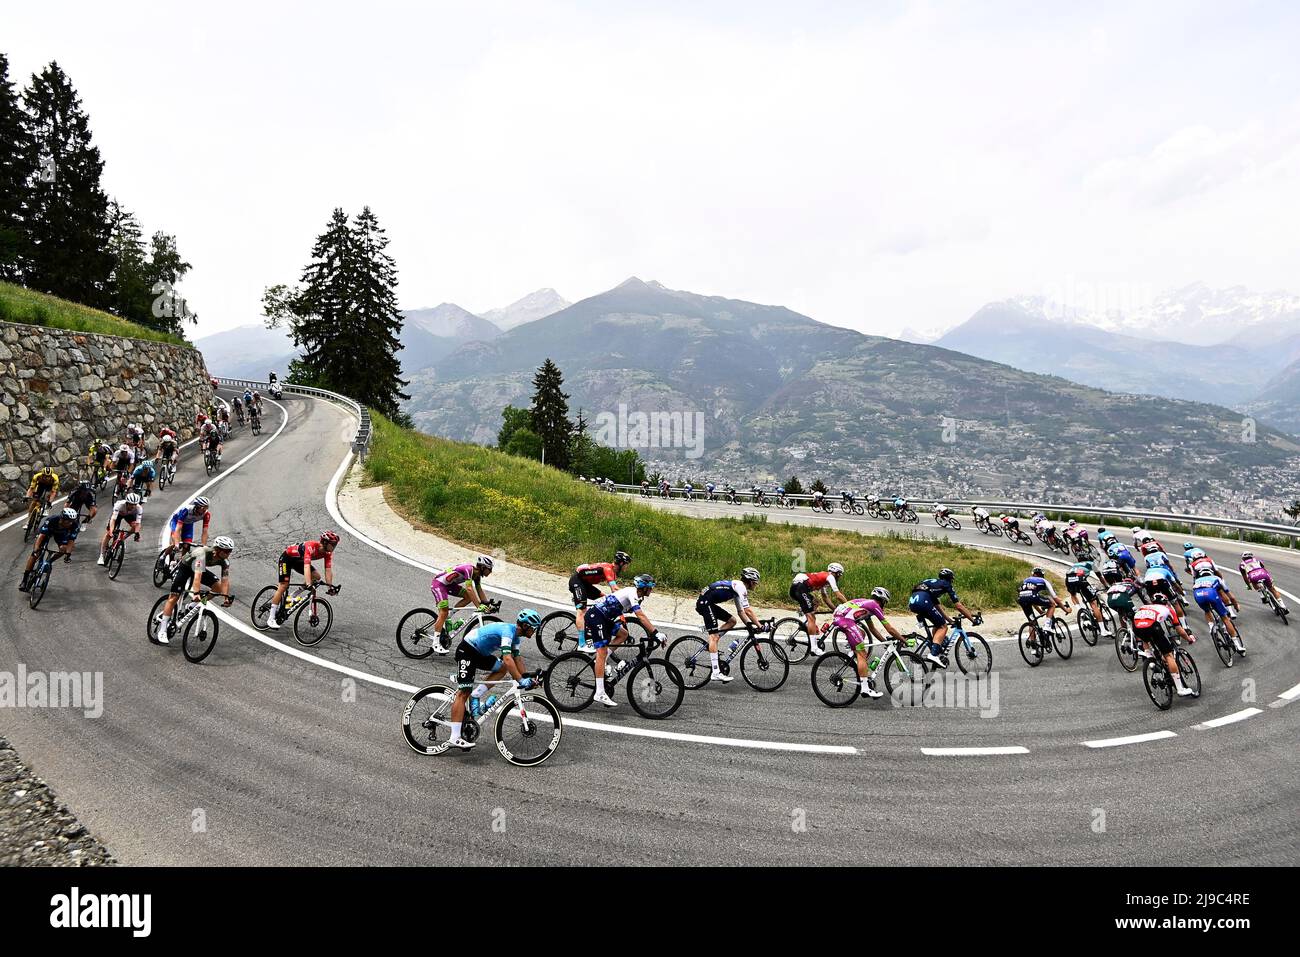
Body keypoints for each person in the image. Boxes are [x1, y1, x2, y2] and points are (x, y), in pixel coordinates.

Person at [583, 575, 661, 707]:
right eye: (650, 588)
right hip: (596, 617)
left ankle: (601, 661)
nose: (651, 590)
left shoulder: (637, 596)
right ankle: (600, 693)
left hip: (605, 618)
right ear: (644, 587)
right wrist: (656, 633)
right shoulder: (632, 593)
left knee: (623, 634)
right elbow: (640, 616)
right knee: (601, 652)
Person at [153, 537, 236, 644]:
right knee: (174, 597)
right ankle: (163, 630)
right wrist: (196, 593)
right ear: (218, 550)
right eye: (227, 551)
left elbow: (225, 580)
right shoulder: (202, 554)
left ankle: (192, 606)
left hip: (198, 569)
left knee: (217, 588)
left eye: (230, 551)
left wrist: (226, 597)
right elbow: (198, 576)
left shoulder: (225, 561)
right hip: (185, 568)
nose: (229, 553)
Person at [695, 568, 766, 683]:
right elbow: (748, 610)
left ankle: (713, 641)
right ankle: (715, 673)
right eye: (756, 583)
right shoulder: (741, 587)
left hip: (708, 602)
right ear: (751, 581)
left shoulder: (736, 588)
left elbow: (741, 612)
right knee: (714, 637)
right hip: (705, 603)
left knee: (732, 621)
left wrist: (749, 625)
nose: (756, 585)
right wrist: (760, 625)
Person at [830, 588, 904, 699]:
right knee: (862, 654)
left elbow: (872, 629)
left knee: (862, 633)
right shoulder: (875, 605)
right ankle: (865, 689)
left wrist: (885, 642)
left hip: (840, 617)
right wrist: (903, 639)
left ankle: (850, 655)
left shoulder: (867, 605)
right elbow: (889, 629)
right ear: (883, 600)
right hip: (846, 621)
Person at [265, 532, 341, 630]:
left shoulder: (328, 553)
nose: (334, 546)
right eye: (333, 544)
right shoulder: (311, 547)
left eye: (335, 544)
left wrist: (330, 587)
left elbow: (328, 570)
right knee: (283, 586)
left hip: (298, 561)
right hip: (287, 559)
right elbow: (306, 566)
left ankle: (293, 595)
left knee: (316, 576)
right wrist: (308, 583)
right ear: (325, 543)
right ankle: (271, 619)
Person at [908, 568, 977, 668]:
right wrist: (973, 619)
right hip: (923, 601)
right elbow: (959, 606)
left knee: (938, 624)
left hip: (913, 603)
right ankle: (933, 654)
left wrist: (949, 620)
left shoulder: (933, 585)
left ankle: (935, 647)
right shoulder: (946, 584)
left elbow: (938, 608)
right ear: (950, 579)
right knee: (943, 627)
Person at [1132, 596, 1197, 696]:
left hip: (1136, 625)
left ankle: (1150, 660)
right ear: (1166, 603)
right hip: (1152, 626)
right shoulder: (1168, 609)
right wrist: (1188, 638)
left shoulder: (1145, 606)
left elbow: (1141, 622)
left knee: (1146, 638)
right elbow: (1179, 630)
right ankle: (1180, 689)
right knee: (1168, 655)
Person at [428, 556, 494, 649]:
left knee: (468, 597)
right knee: (443, 612)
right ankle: (435, 643)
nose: (491, 571)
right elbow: (470, 589)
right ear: (483, 567)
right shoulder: (469, 569)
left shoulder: (477, 575)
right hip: (439, 584)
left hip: (450, 585)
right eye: (489, 569)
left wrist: (487, 603)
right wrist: (479, 606)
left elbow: (479, 590)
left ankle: (448, 617)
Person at [789, 563, 848, 655]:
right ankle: (814, 648)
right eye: (840, 574)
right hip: (800, 587)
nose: (839, 577)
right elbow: (838, 595)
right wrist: (850, 605)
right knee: (812, 617)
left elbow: (825, 598)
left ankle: (805, 621)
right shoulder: (830, 577)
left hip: (797, 588)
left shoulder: (824, 581)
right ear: (836, 573)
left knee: (816, 602)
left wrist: (835, 609)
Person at [569, 551, 632, 636]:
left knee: (604, 599)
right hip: (577, 581)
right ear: (621, 563)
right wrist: (629, 596)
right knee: (581, 611)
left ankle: (591, 623)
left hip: (585, 584)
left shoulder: (613, 573)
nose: (627, 567)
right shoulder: (608, 569)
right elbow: (614, 589)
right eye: (626, 564)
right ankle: (582, 642)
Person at [19, 508, 80, 591]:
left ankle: (49, 562)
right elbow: (41, 537)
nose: (70, 523)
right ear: (62, 519)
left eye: (72, 521)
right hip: (47, 533)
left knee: (64, 549)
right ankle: (24, 580)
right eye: (68, 521)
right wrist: (36, 549)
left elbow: (71, 541)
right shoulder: (52, 519)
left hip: (61, 535)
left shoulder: (74, 525)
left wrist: (68, 555)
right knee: (35, 554)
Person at [1191, 566, 1244, 652]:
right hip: (1210, 594)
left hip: (1198, 595)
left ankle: (1211, 627)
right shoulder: (1216, 578)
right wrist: (1235, 605)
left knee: (1207, 610)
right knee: (1225, 618)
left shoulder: (1197, 581)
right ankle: (1237, 645)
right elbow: (1230, 596)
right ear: (1211, 573)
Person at [1017, 566, 1070, 645]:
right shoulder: (1043, 581)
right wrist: (1066, 610)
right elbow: (1056, 599)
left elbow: (1030, 600)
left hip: (1021, 599)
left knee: (1032, 622)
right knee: (1052, 604)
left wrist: (1040, 611)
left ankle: (1034, 646)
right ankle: (1047, 626)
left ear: (1033, 574)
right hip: (1032, 597)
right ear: (1042, 575)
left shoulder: (1026, 580)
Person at [1064, 561, 1112, 635]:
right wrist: (1107, 586)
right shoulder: (1092, 564)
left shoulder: (1075, 564)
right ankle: (1103, 631)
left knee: (1073, 595)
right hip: (1080, 580)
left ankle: (1081, 611)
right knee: (1093, 603)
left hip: (1068, 579)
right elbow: (1100, 577)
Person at [97, 492, 143, 564]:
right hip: (118, 515)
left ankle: (122, 539)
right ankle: (101, 555)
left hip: (129, 515)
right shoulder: (119, 505)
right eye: (131, 504)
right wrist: (111, 531)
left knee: (134, 526)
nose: (133, 506)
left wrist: (137, 533)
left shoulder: (139, 508)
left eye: (135, 504)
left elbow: (138, 523)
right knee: (108, 534)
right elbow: (113, 520)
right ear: (127, 503)